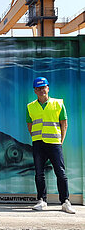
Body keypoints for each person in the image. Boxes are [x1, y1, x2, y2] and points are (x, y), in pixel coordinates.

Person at [27, 77, 76, 214]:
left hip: (54, 143)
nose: (41, 90)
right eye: (38, 88)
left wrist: (60, 141)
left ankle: (65, 201)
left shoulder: (58, 104)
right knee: (39, 173)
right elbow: (29, 125)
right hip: (38, 144)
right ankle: (42, 201)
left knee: (60, 173)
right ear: (35, 91)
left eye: (44, 87)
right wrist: (36, 138)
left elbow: (64, 123)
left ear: (48, 88)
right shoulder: (30, 106)